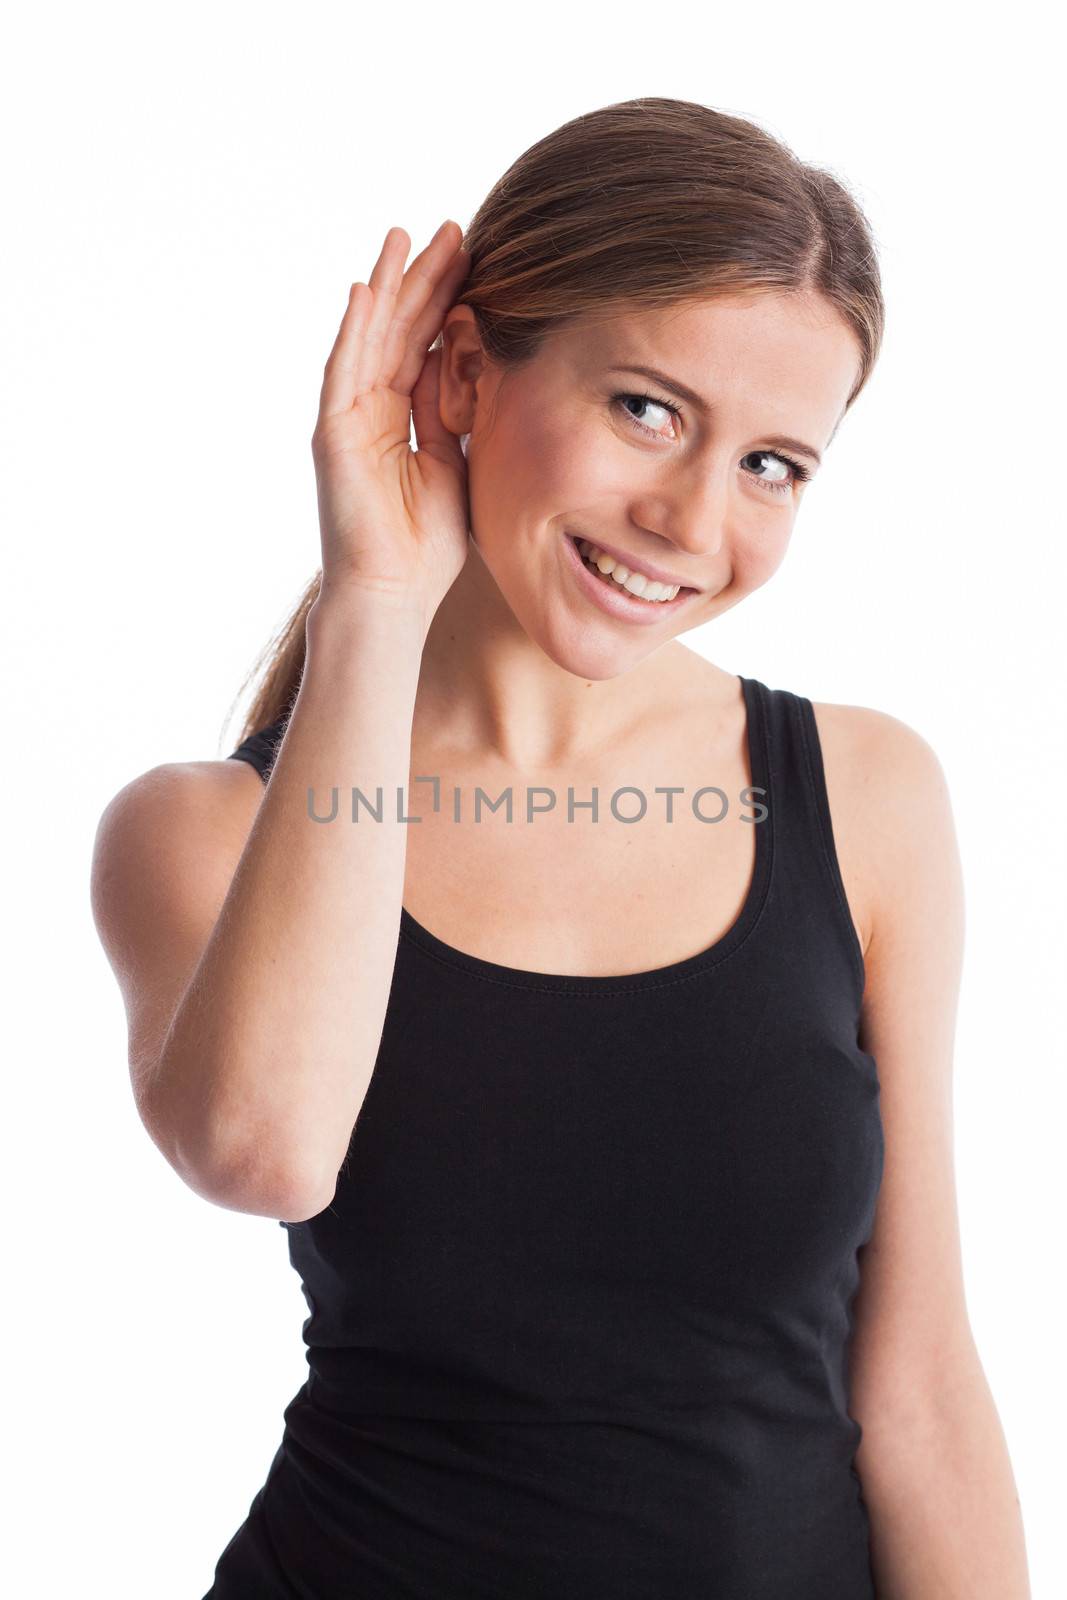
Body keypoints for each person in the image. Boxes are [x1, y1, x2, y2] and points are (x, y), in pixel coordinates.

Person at [90, 97, 1031, 1598]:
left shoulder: (866, 797)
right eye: (647, 409)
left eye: (772, 465)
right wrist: (376, 603)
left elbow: (916, 1391)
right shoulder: (203, 832)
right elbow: (265, 1150)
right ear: (461, 374)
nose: (689, 518)